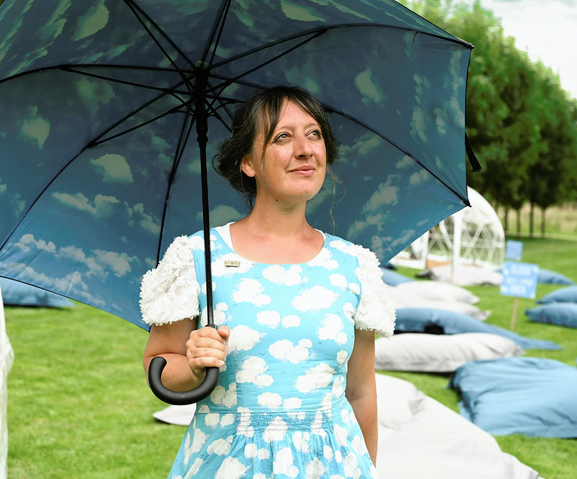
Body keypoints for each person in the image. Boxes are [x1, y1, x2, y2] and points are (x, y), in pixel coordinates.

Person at [140, 86, 395, 478]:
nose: (306, 149)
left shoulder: (353, 265)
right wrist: (192, 364)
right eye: (282, 137)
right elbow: (158, 366)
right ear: (247, 163)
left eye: (314, 134)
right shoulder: (198, 257)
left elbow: (360, 392)